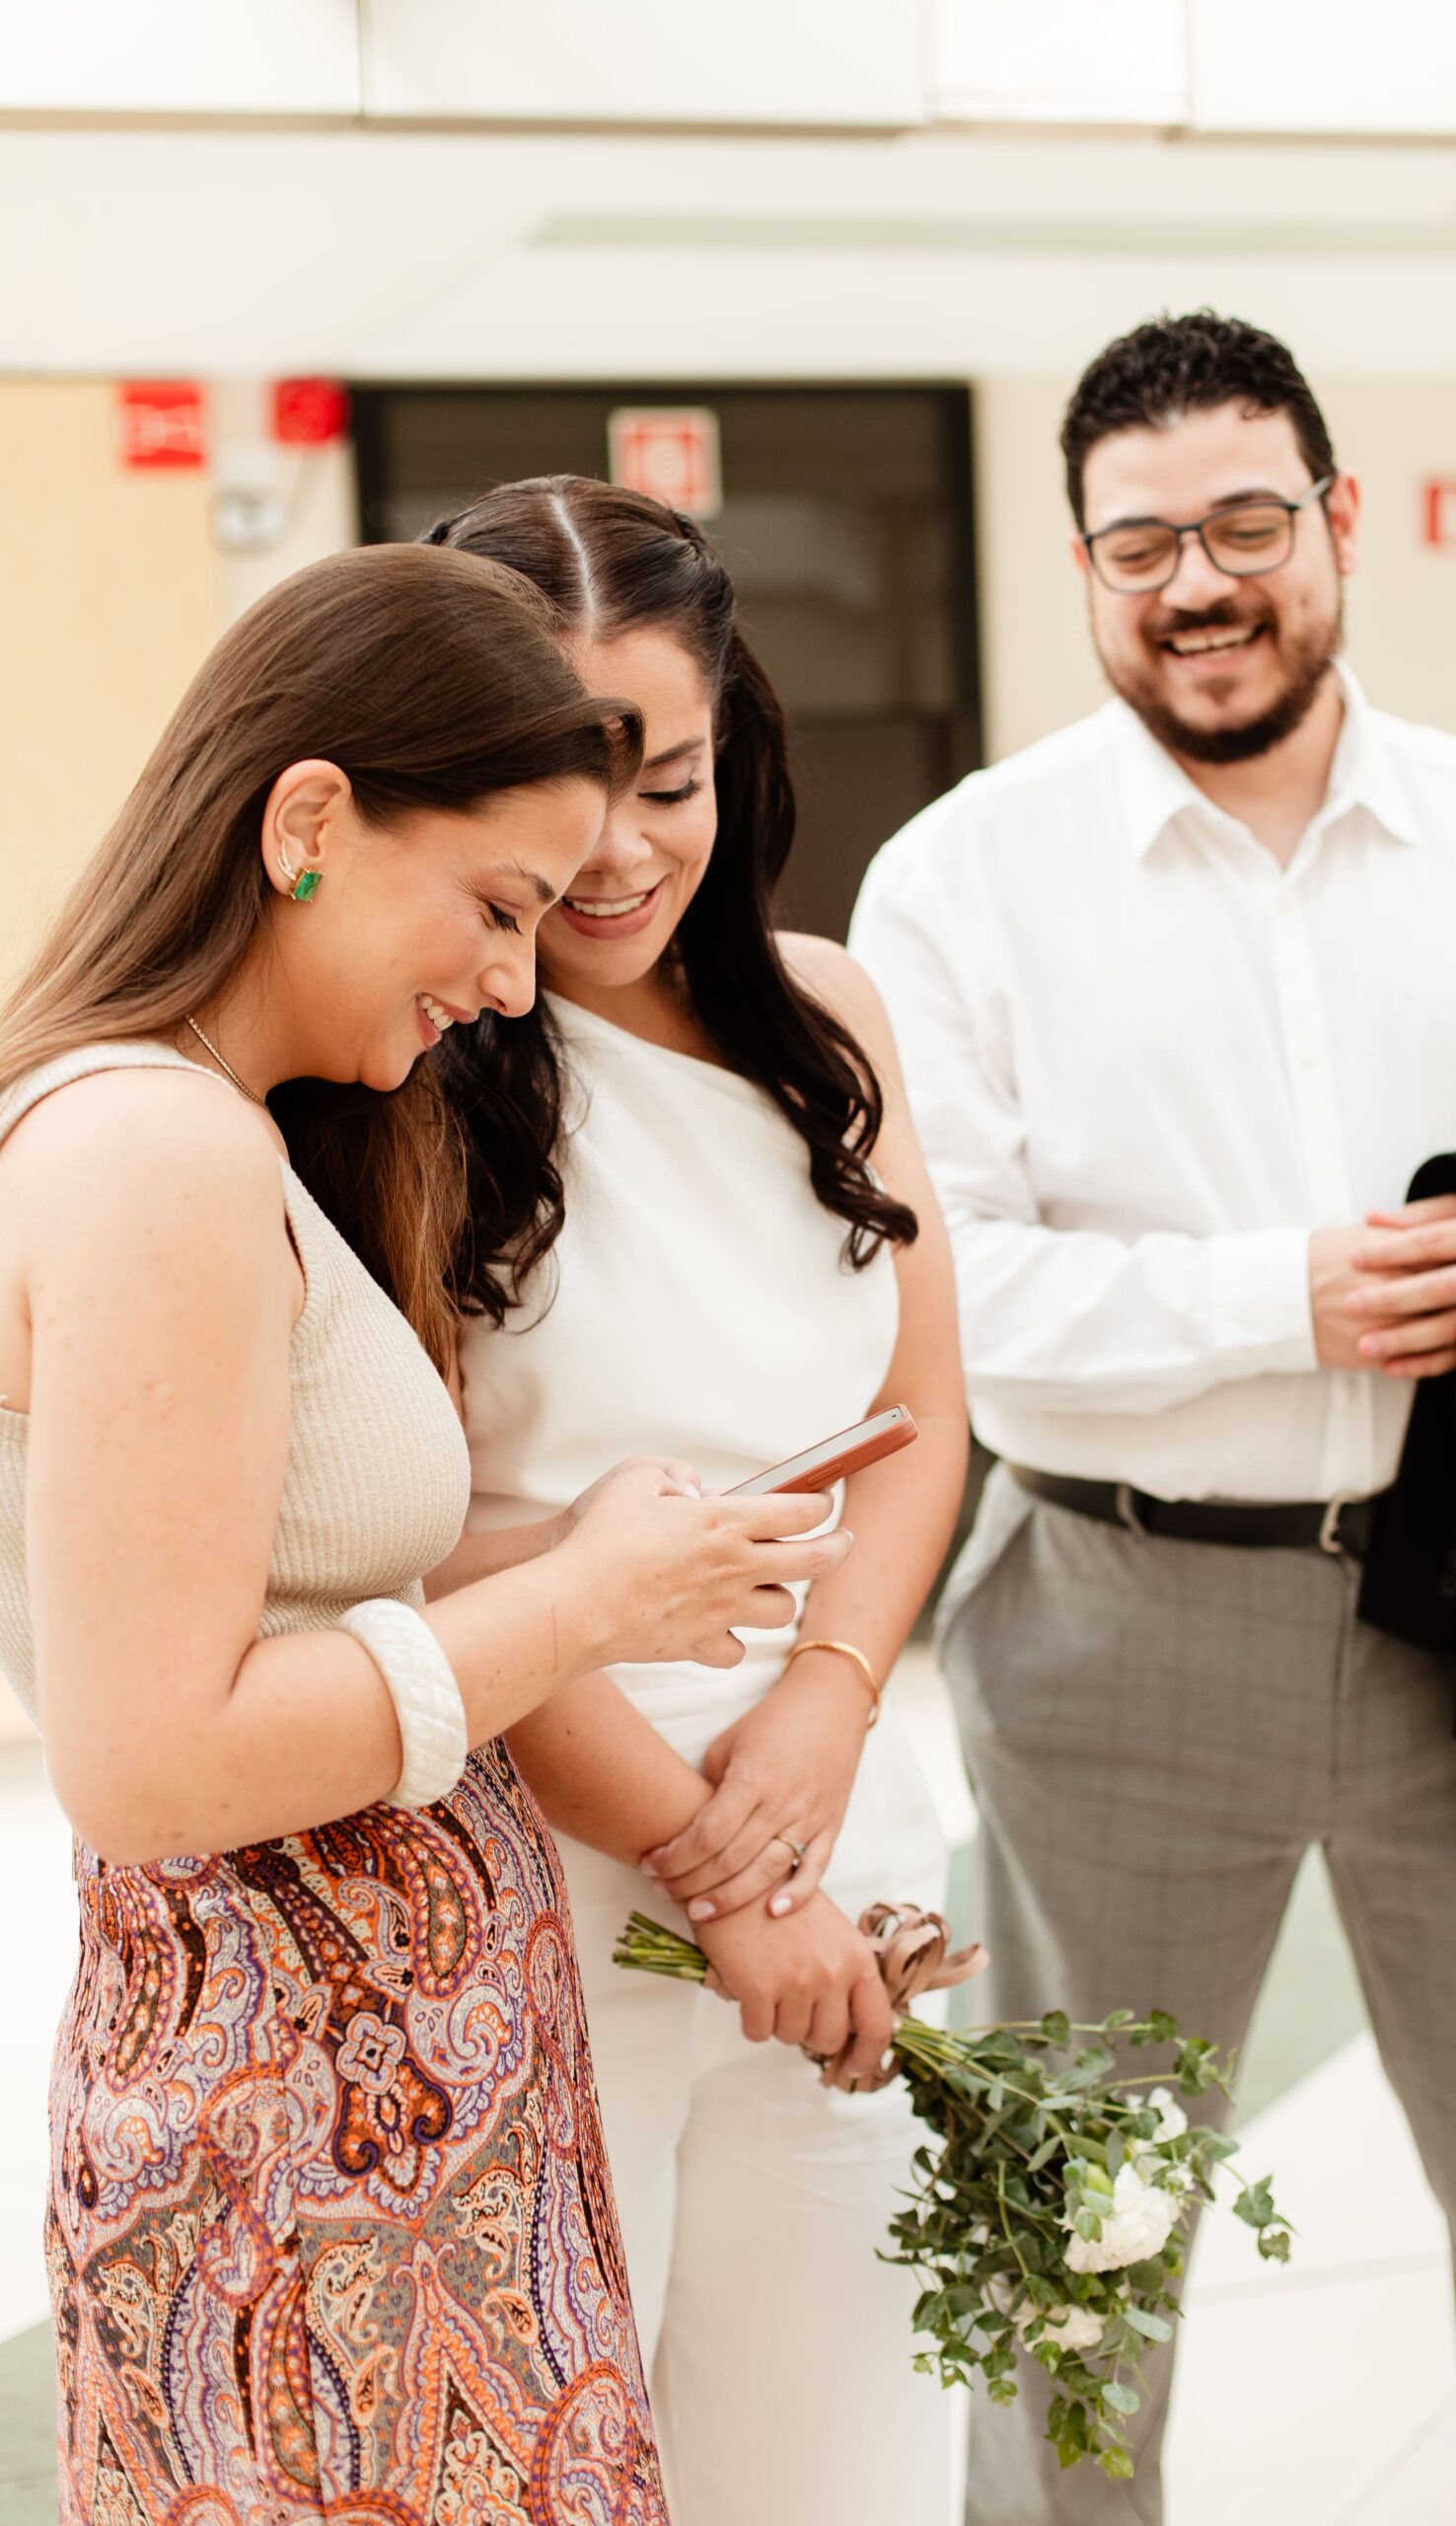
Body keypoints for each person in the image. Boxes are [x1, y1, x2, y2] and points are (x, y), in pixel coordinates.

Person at [850, 311, 1456, 2526]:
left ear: (1337, 521)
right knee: (1078, 2239)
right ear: (1079, 566)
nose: (1197, 584)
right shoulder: (962, 878)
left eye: (1243, 525)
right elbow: (946, 1292)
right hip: (1113, 1622)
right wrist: (1280, 1294)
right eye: (1140, 546)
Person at [0, 543, 852, 2526]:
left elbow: (280, 1578)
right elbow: (153, 1755)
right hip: (306, 2151)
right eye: (497, 904)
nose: (512, 983)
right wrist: (580, 1599)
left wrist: (585, 1554)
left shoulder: (207, 1131)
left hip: (361, 2126)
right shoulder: (157, 1151)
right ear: (307, 821)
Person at [419, 477, 970, 2526]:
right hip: (542, 1848)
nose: (618, 852)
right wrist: (713, 1873)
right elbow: (414, 1543)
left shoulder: (829, 1012)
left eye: (667, 778)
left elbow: (919, 1411)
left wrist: (827, 1701)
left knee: (843, 2461)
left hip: (834, 1815)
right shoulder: (406, 1066)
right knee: (556, 2459)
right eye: (564, 789)